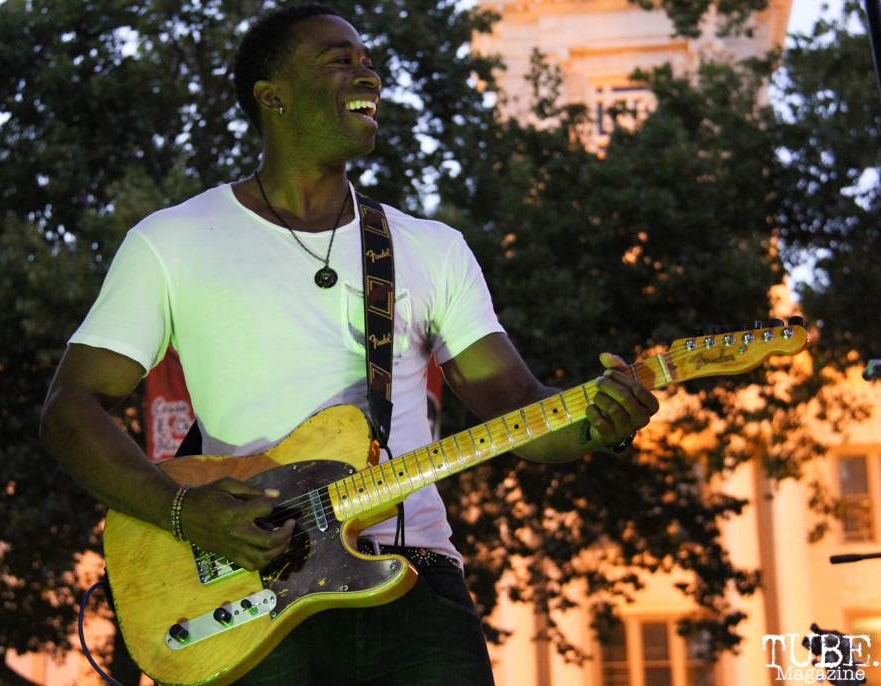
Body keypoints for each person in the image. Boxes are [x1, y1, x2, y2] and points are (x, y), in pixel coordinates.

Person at [39, 4, 660, 685]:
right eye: (340, 60)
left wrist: (598, 421)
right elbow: (70, 409)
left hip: (414, 583)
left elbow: (517, 405)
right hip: (254, 588)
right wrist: (182, 512)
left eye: (369, 61)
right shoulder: (172, 242)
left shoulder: (432, 248)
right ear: (272, 96)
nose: (368, 74)